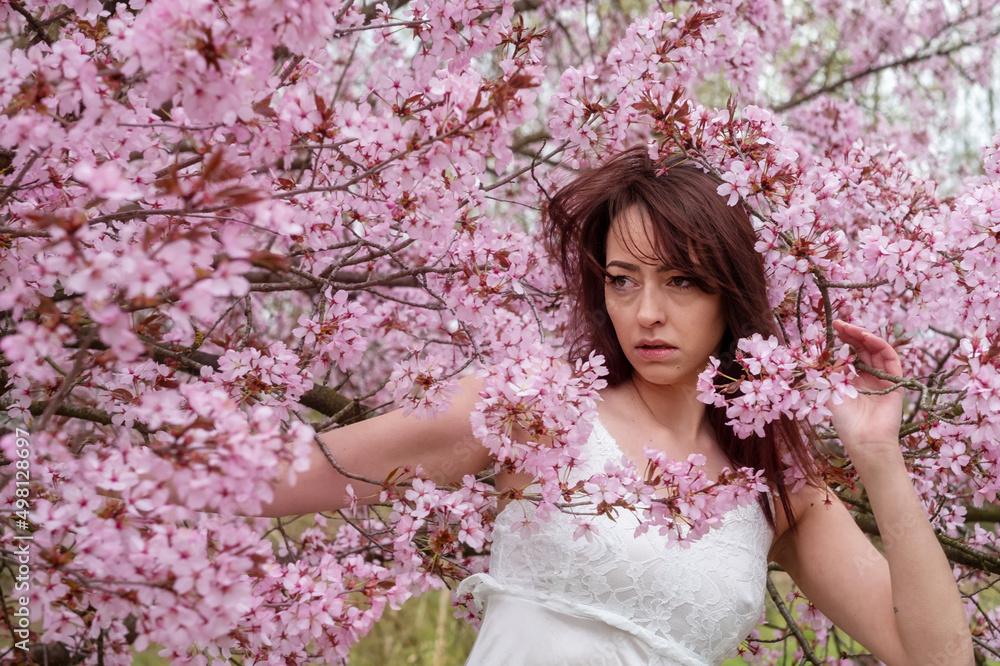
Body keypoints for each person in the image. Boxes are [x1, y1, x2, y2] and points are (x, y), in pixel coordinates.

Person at [261, 148, 973, 665]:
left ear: (732, 293)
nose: (647, 313)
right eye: (623, 280)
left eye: (683, 281)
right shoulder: (534, 408)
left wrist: (879, 458)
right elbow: (272, 479)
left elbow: (937, 659)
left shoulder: (778, 487)